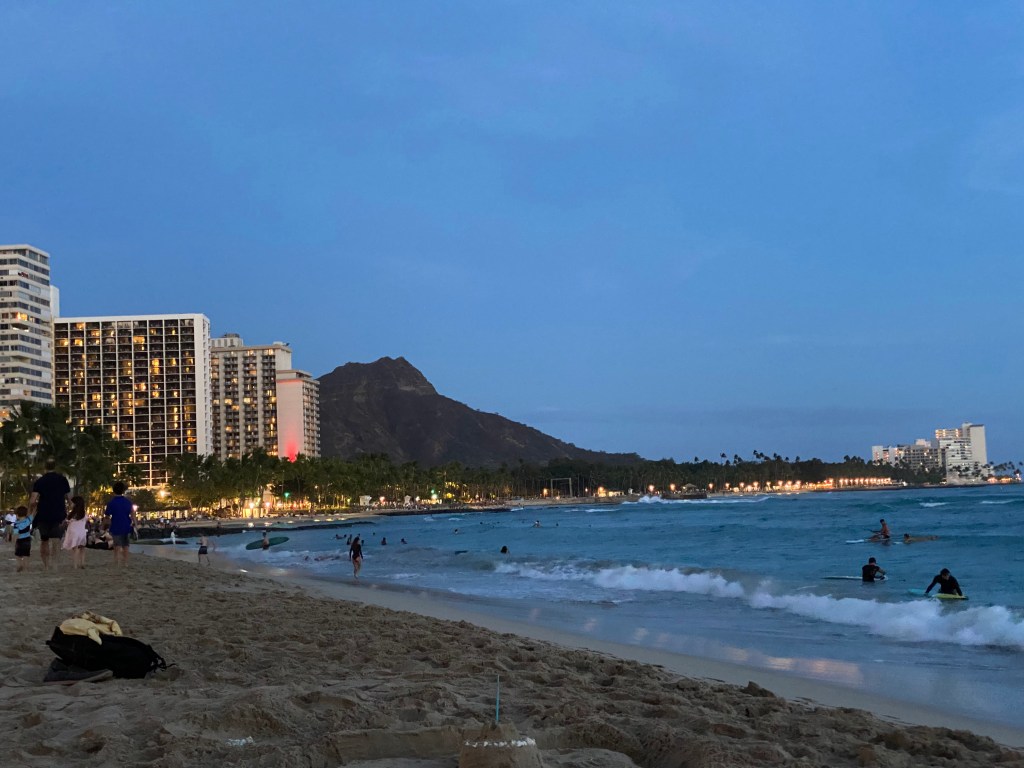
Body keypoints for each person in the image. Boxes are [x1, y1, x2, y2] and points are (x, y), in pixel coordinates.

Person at [29, 458, 72, 570]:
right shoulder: (62, 480)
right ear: (55, 466)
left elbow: (32, 501)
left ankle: (46, 565)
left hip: (43, 514)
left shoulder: (40, 481)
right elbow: (69, 499)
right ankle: (55, 565)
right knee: (56, 541)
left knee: (44, 541)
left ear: (45, 467)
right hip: (59, 514)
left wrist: (34, 508)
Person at [103, 481, 135, 568]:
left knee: (117, 545)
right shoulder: (128, 502)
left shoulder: (111, 503)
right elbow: (132, 514)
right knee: (126, 545)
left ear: (114, 490)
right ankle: (126, 563)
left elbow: (107, 516)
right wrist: (135, 524)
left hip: (116, 526)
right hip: (126, 525)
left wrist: (104, 525)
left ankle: (117, 562)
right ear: (123, 491)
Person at [61, 496, 89, 570]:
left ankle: (75, 565)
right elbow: (86, 521)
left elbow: (67, 521)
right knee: (82, 548)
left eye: (72, 503)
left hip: (74, 532)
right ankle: (82, 563)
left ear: (75, 503)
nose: (71, 504)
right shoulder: (84, 513)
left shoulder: (72, 514)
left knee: (75, 549)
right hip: (82, 532)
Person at [12, 505, 33, 572]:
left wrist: (14, 542)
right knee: (26, 555)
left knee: (18, 554)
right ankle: (26, 568)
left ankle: (19, 565)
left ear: (17, 514)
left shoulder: (16, 524)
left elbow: (16, 534)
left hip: (19, 540)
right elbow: (32, 514)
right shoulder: (28, 520)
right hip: (27, 539)